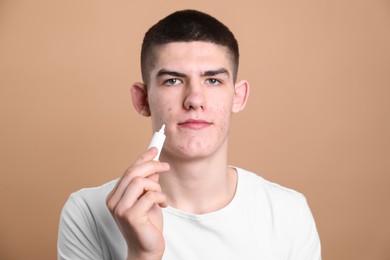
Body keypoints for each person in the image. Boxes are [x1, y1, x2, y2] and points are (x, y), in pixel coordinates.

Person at [57, 9, 321, 260]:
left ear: (238, 97)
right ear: (142, 99)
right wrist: (143, 255)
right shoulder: (88, 213)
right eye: (172, 80)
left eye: (213, 80)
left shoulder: (289, 214)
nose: (195, 99)